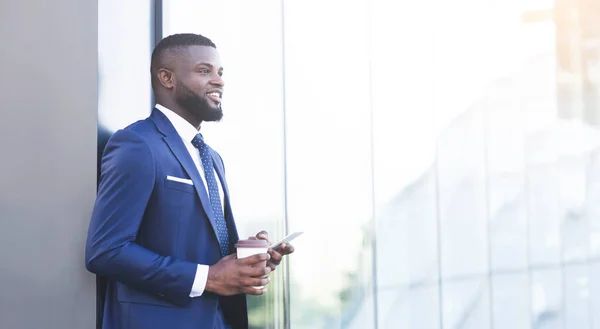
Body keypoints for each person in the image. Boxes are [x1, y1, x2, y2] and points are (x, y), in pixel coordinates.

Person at [85, 33, 294, 329]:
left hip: (219, 319)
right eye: (204, 70)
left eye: (220, 72)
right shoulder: (137, 144)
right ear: (167, 78)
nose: (219, 80)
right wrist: (209, 277)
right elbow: (106, 251)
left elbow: (200, 246)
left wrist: (246, 260)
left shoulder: (212, 157)